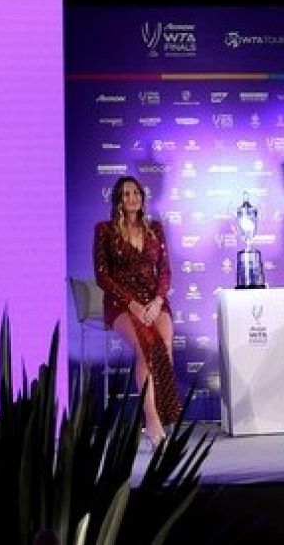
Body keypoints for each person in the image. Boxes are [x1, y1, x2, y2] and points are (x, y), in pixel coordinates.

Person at [93, 175, 182, 444]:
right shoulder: (105, 230)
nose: (132, 198)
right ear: (118, 200)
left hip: (153, 300)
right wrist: (131, 303)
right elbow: (102, 275)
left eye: (136, 193)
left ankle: (162, 416)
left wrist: (156, 301)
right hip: (121, 302)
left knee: (164, 343)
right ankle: (153, 423)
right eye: (126, 194)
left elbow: (165, 270)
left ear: (142, 198)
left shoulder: (154, 228)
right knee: (146, 345)